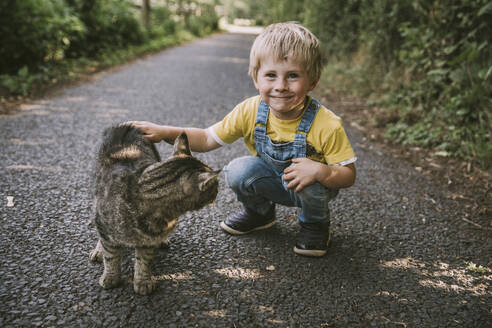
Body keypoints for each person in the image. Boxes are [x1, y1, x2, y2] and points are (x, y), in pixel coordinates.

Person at [130, 22, 356, 257]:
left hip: (314, 188)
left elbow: (348, 174)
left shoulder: (326, 124)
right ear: (256, 79)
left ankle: (314, 225)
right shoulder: (250, 110)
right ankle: (260, 214)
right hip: (273, 179)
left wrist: (321, 172)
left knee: (310, 180)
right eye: (271, 75)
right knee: (237, 170)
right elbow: (207, 138)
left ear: (313, 80)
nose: (280, 86)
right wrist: (165, 132)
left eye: (292, 76)